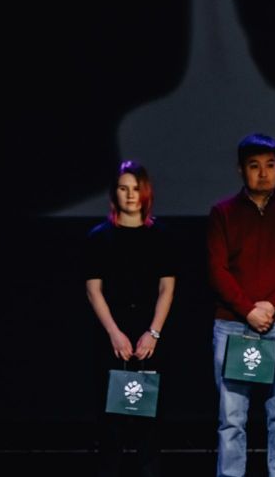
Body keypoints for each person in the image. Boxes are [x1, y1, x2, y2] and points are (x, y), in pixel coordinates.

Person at [208, 133, 275, 477]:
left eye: (270, 165)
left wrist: (271, 306)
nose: (264, 173)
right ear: (241, 170)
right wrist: (248, 310)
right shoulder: (223, 213)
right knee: (231, 417)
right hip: (233, 324)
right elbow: (217, 269)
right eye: (255, 166)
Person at [85, 160, 177, 477]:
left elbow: (167, 289)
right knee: (110, 423)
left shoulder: (161, 236)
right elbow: (93, 291)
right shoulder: (99, 237)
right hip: (112, 336)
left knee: (149, 422)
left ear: (145, 192)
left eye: (136, 188)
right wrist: (114, 333)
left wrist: (154, 332)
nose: (130, 194)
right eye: (124, 188)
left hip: (150, 337)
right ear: (115, 193)